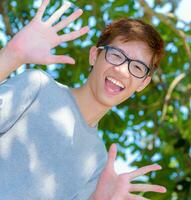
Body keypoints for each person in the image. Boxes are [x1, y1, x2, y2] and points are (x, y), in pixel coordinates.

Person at [0, 0, 166, 199]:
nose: (122, 70)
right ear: (94, 56)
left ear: (143, 83)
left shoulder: (99, 166)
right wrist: (12, 55)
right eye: (116, 55)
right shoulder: (38, 87)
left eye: (137, 67)